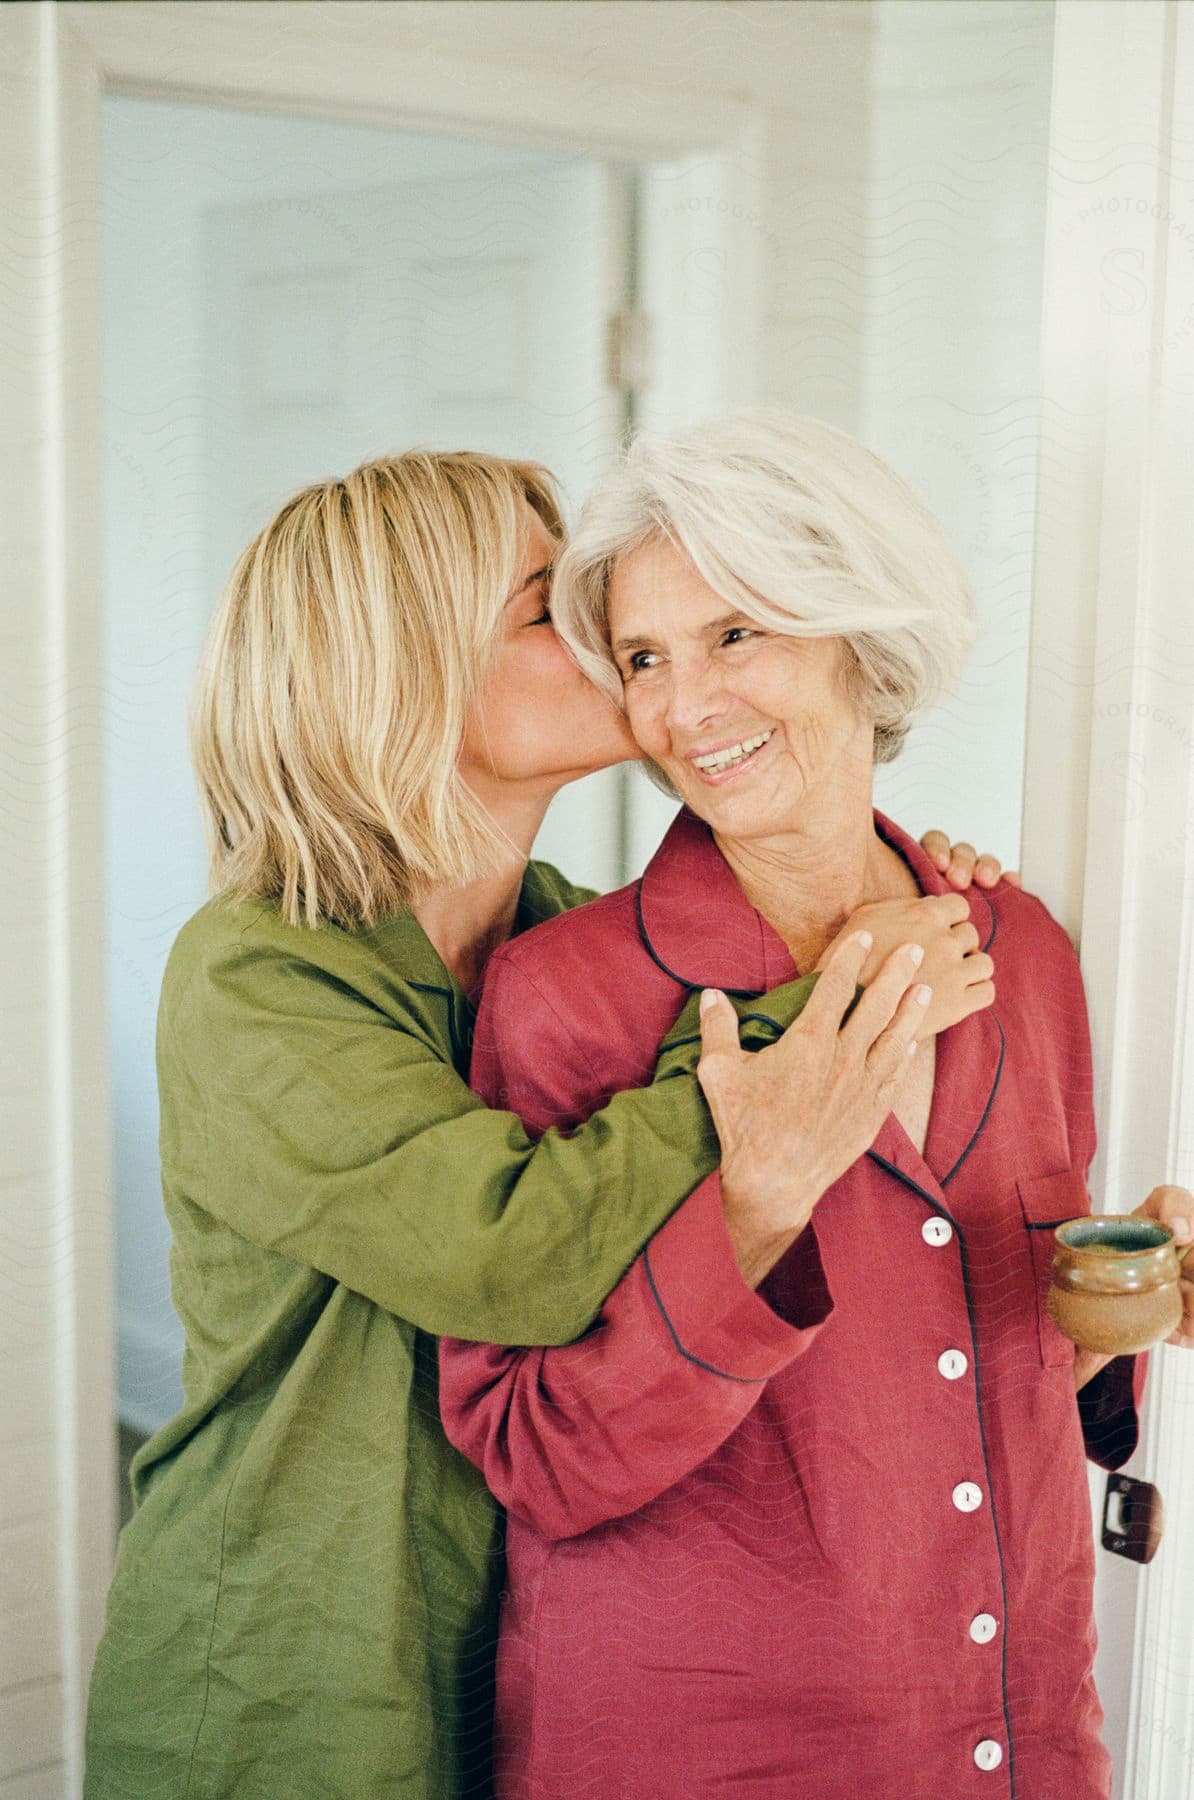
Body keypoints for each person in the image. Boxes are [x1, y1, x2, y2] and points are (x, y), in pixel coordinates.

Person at [83, 448, 1006, 1799]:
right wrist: (834, 1002)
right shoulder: (255, 976)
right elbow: (505, 1248)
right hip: (292, 1672)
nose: (597, 637)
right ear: (397, 668)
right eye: (540, 609)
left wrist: (897, 877)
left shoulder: (568, 944)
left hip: (534, 1645)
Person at [438, 411, 1194, 1799]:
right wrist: (757, 1193)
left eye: (738, 635)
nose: (684, 708)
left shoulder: (1018, 950)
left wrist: (1122, 1312)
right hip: (695, 1752)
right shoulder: (565, 999)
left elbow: (972, 1372)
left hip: (1012, 1728)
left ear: (857, 630)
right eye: (646, 660)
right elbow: (536, 1460)